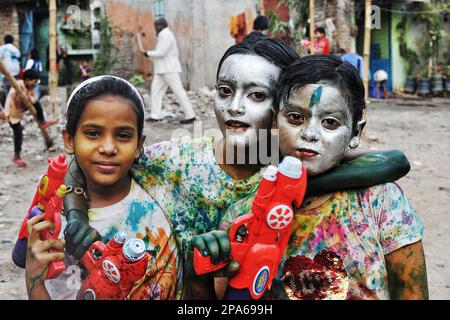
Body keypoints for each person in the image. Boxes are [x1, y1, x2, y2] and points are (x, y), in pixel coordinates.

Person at [62, 37, 412, 298]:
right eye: (225, 90)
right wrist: (76, 214)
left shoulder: (300, 156)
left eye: (257, 95)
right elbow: (88, 159)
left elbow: (390, 161)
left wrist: (302, 186)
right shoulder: (175, 160)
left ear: (284, 105)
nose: (235, 107)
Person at [202, 55, 427, 300]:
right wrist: (205, 271)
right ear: (275, 122)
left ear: (355, 132)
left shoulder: (381, 202)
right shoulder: (244, 216)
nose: (309, 134)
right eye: (295, 118)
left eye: (330, 122)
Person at [24, 75, 182, 300]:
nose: (108, 148)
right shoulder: (55, 223)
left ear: (139, 144)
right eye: (93, 133)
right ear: (69, 140)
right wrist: (33, 278)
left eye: (123, 135)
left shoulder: (162, 188)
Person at [142, 18, 196, 124]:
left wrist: (148, 53)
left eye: (156, 26)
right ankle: (155, 115)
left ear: (161, 26)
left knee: (178, 91)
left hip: (169, 69)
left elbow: (161, 52)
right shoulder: (164, 34)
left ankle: (190, 115)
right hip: (162, 69)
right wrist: (150, 55)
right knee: (156, 91)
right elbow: (161, 54)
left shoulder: (165, 34)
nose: (155, 29)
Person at [4, 69, 56, 167]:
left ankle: (42, 121)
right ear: (27, 80)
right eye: (34, 82)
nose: (35, 84)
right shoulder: (18, 85)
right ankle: (16, 156)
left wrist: (29, 99)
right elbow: (14, 99)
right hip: (11, 113)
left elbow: (33, 99)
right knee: (18, 133)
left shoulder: (29, 89)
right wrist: (26, 99)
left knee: (37, 104)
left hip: (18, 113)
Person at [0, 34, 21, 107]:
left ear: (4, 41)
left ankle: (7, 107)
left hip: (6, 73)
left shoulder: (2, 48)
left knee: (6, 91)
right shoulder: (16, 50)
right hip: (16, 73)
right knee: (14, 91)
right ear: (12, 41)